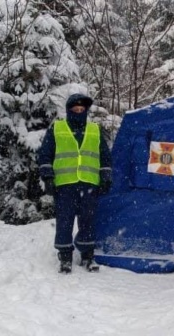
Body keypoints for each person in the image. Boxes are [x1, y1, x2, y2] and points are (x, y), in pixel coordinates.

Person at [37, 93, 112, 274]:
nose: (79, 112)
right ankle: (65, 256)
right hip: (65, 184)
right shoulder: (57, 128)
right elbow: (45, 154)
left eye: (82, 110)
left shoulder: (95, 129)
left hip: (89, 183)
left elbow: (105, 156)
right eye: (75, 109)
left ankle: (87, 255)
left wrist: (106, 177)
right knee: (65, 221)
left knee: (88, 221)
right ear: (69, 111)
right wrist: (47, 177)